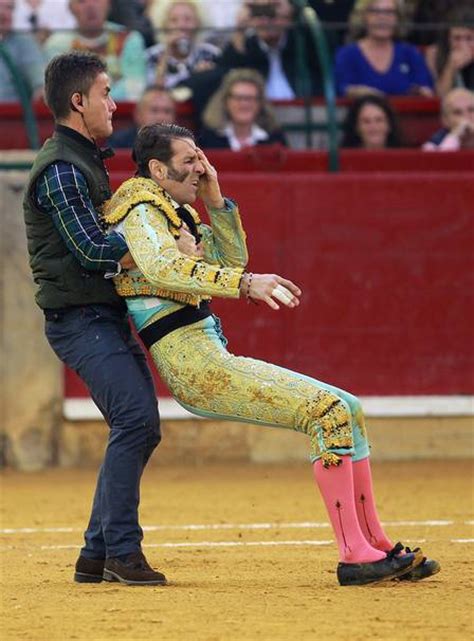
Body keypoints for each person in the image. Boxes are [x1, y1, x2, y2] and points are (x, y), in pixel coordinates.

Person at [101, 122, 440, 586]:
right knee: (326, 412)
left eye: (201, 156)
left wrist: (216, 200)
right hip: (196, 365)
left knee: (350, 409)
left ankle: (376, 542)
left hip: (208, 352)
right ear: (157, 169)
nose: (200, 167)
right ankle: (354, 556)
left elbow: (231, 260)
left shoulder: (174, 210)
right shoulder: (140, 209)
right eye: (190, 161)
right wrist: (242, 285)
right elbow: (165, 267)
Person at [23, 51, 165, 586]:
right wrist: (161, 246)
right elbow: (92, 251)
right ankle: (121, 552)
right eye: (106, 92)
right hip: (80, 317)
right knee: (135, 422)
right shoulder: (62, 166)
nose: (113, 102)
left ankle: (96, 552)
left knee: (139, 425)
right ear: (78, 101)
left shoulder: (81, 158)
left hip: (98, 314)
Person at [43, 0, 147, 101]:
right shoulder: (56, 44)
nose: (90, 6)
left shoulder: (129, 39)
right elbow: (59, 94)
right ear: (71, 8)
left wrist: (92, 102)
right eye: (81, 1)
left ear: (109, 3)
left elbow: (135, 89)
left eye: (96, 0)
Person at [220, 0, 322, 99]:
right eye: (258, 13)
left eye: (272, 13)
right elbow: (228, 72)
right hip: (261, 114)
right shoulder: (246, 46)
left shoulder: (302, 41)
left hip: (305, 111)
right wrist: (239, 30)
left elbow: (327, 43)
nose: (266, 20)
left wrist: (295, 11)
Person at [335, 0, 434, 98]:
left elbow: (427, 91)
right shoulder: (347, 54)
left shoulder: (410, 53)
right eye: (375, 11)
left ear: (398, 18)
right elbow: (341, 89)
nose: (382, 17)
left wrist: (421, 91)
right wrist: (360, 93)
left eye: (389, 12)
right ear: (364, 17)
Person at [199, 68, 287, 150]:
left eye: (250, 98)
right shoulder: (207, 139)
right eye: (238, 98)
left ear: (260, 103)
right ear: (226, 101)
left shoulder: (275, 139)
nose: (244, 104)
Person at [145, 0, 221, 90]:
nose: (181, 26)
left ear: (198, 23)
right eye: (173, 20)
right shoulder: (150, 57)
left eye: (188, 19)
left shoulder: (212, 54)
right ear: (164, 24)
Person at [0, 0, 45, 102]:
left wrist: (41, 90)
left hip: (12, 114)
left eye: (9, 8)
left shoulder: (24, 42)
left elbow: (38, 75)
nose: (2, 13)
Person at [424, 6, 474, 97]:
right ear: (448, 38)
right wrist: (450, 67)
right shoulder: (434, 54)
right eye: (457, 38)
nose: (462, 45)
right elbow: (441, 97)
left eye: (469, 38)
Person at [109, 85, 176, 148]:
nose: (161, 117)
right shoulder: (119, 142)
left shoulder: (182, 144)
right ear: (138, 115)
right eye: (154, 110)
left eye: (167, 111)